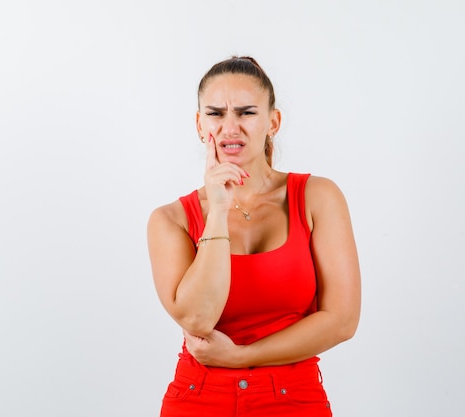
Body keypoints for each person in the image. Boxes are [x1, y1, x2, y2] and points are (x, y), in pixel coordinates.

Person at [146, 56, 361, 417]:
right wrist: (217, 213)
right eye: (216, 114)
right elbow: (197, 320)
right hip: (199, 399)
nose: (230, 127)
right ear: (200, 125)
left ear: (272, 122)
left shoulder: (317, 197)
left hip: (294, 399)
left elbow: (342, 321)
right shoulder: (170, 220)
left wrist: (243, 357)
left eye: (246, 113)